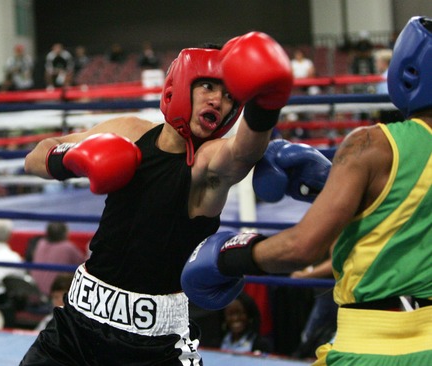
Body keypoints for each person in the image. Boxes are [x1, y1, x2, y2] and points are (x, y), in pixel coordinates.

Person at [20, 31, 306, 365]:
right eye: (208, 86)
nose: (218, 101)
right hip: (75, 326)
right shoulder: (130, 131)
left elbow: (242, 153)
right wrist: (72, 158)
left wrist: (265, 103)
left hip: (154, 344)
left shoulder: (207, 163)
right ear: (181, 83)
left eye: (230, 95)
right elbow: (35, 157)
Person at [182, 16, 432, 365]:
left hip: (374, 347)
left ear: (408, 71)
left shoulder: (373, 145)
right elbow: (412, 207)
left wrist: (230, 255)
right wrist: (335, 187)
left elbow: (303, 247)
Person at [30, 222, 86, 296]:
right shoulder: (68, 247)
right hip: (54, 294)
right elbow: (85, 265)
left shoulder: (40, 243)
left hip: (35, 291)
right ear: (65, 233)